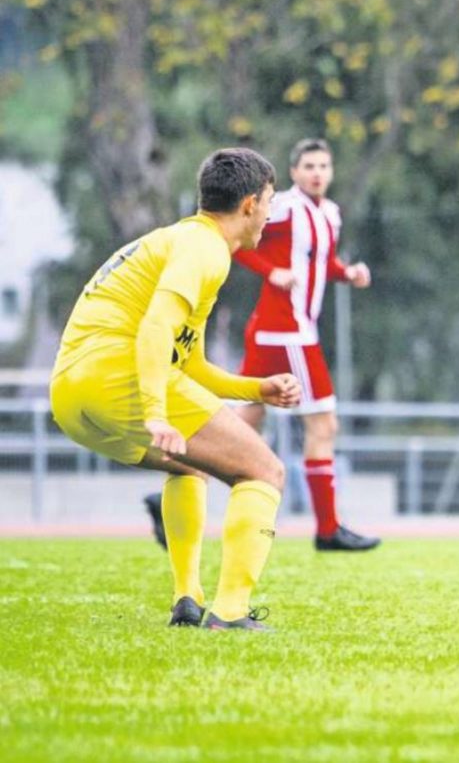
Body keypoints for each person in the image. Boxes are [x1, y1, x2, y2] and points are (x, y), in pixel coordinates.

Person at [51, 148, 301, 631]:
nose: (270, 215)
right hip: (119, 374)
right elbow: (154, 329)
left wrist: (256, 389)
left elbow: (190, 365)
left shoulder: (181, 241)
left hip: (71, 394)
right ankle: (230, 613)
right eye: (270, 202)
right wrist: (155, 411)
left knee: (189, 464)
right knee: (264, 471)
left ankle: (188, 598)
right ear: (249, 204)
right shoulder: (205, 249)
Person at [144, 138, 380, 552]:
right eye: (309, 166)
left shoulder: (330, 213)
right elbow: (236, 240)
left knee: (243, 424)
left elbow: (319, 262)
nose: (317, 173)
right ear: (294, 172)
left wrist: (348, 274)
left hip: (274, 331)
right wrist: (271, 272)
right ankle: (328, 528)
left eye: (324, 166)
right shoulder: (282, 207)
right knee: (323, 425)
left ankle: (176, 485)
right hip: (288, 331)